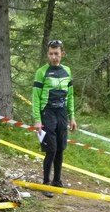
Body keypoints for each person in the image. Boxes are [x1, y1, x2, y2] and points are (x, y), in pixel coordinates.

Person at [32, 39, 77, 198]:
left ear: (62, 54)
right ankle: (46, 183)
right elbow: (36, 98)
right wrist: (37, 119)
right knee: (51, 149)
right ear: (47, 54)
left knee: (60, 148)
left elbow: (70, 95)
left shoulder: (67, 71)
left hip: (62, 113)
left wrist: (72, 117)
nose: (53, 57)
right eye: (51, 54)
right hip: (47, 113)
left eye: (56, 54)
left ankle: (57, 181)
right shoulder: (41, 72)